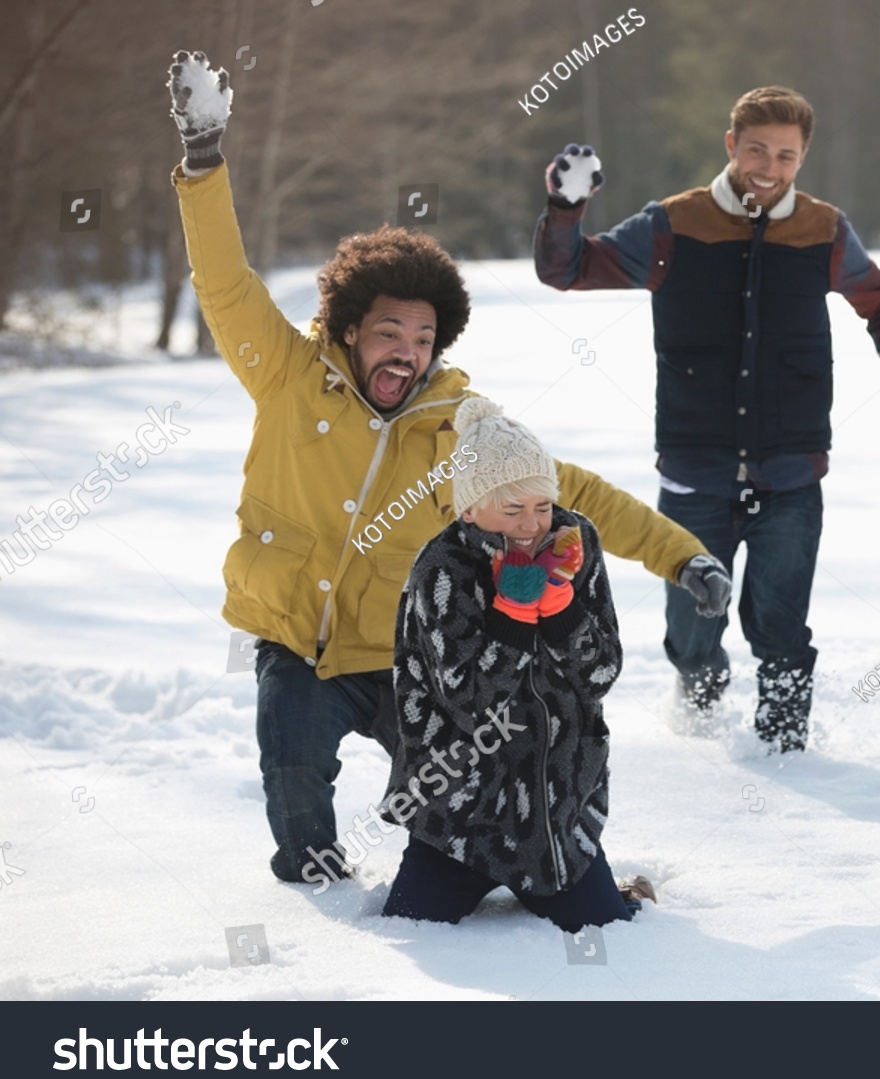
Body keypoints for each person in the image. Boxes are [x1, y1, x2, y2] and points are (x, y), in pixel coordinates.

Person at [164, 51, 731, 885]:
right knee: (297, 805)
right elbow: (223, 284)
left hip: (404, 654)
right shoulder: (287, 376)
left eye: (425, 339)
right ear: (352, 327)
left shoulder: (463, 427)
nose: (408, 352)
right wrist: (204, 158)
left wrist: (683, 555)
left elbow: (571, 492)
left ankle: (521, 869)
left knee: (469, 783)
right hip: (295, 644)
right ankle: (321, 922)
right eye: (391, 332)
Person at [533, 86, 880, 751]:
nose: (769, 165)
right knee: (693, 629)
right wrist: (565, 205)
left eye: (786, 155)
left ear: (801, 158)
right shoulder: (673, 224)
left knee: (781, 623)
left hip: (791, 466)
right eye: (756, 148)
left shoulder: (822, 228)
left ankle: (787, 750)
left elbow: (879, 301)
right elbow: (568, 269)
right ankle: (698, 710)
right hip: (697, 470)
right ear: (731, 145)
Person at [380, 398, 649, 929]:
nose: (532, 524)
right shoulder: (442, 570)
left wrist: (563, 613)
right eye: (512, 510)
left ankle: (611, 887)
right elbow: (467, 700)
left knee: (605, 925)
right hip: (457, 816)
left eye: (542, 506)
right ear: (469, 510)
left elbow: (602, 673)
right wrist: (511, 618)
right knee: (412, 925)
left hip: (555, 816)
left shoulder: (576, 543)